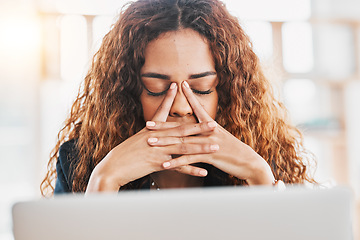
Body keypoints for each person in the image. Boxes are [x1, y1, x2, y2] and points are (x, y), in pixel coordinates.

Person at [41, 0, 315, 196]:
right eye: (157, 89)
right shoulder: (79, 161)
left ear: (228, 91)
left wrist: (259, 176)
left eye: (202, 88)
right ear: (128, 91)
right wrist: (104, 181)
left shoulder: (265, 156)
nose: (181, 107)